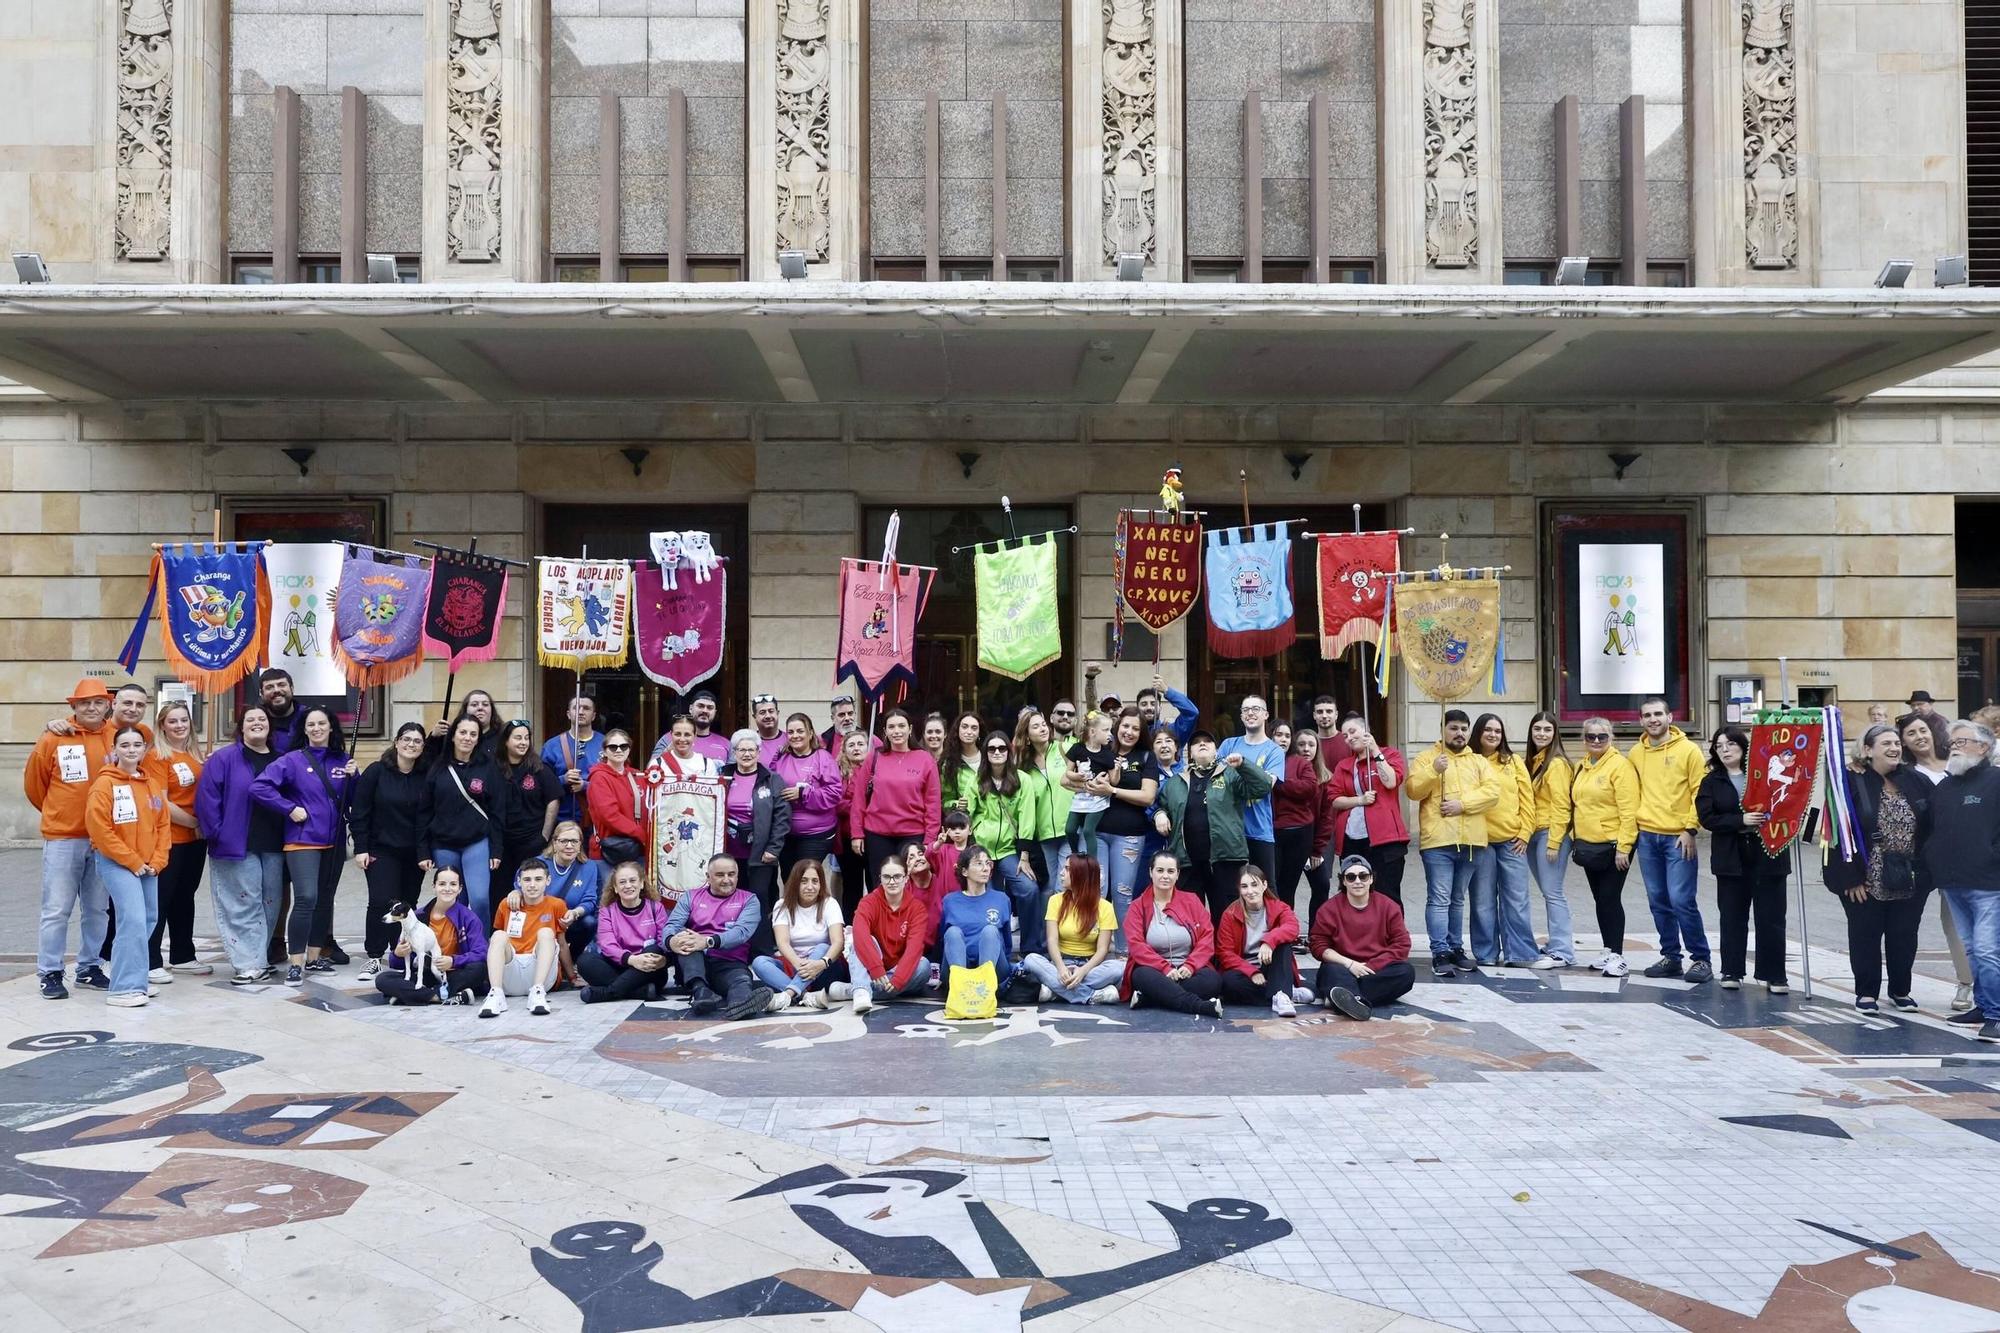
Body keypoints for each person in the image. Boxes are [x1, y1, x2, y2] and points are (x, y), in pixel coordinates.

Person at [26, 678, 118, 999]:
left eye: (97, 702)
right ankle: (50, 971)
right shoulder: (54, 737)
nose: (91, 708)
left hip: (104, 839)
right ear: (74, 707)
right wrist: (59, 812)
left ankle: (88, 968)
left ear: (108, 705)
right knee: (56, 909)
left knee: (97, 909)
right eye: (84, 703)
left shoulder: (117, 737)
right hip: (64, 838)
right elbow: (35, 786)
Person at [1824, 724, 1926, 1012]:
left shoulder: (1913, 779)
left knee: (1904, 935)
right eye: (1886, 744)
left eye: (1897, 742)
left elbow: (1931, 820)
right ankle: (1866, 992)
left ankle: (1900, 991)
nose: (1895, 748)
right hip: (1865, 875)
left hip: (1907, 874)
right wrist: (1850, 877)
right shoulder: (1850, 780)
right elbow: (1836, 833)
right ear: (1867, 750)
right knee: (1865, 934)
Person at [250, 706, 352, 985]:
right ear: (304, 730)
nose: (317, 728)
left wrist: (355, 777)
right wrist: (289, 808)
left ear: (331, 727)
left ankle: (314, 957)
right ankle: (295, 961)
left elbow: (352, 800)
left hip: (334, 839)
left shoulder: (343, 760)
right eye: (312, 724)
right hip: (303, 839)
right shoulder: (292, 760)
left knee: (324, 900)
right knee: (306, 897)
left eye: (322, 723)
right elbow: (259, 787)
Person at [1697, 725, 1793, 993]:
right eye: (1719, 746)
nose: (1725, 750)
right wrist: (1739, 820)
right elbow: (1707, 817)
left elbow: (1786, 802)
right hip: (1731, 856)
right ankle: (1732, 970)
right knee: (1732, 916)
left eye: (1731, 744)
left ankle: (1774, 974)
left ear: (1743, 746)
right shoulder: (1712, 781)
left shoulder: (1765, 775)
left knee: (1771, 917)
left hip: (1768, 853)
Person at [1405, 709, 1500, 977]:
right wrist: (1434, 771)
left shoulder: (1479, 762)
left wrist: (1463, 805)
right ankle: (1440, 951)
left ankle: (1456, 947)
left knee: (1458, 899)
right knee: (1440, 898)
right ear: (1443, 730)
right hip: (1438, 841)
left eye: (1463, 729)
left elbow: (1493, 793)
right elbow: (1413, 790)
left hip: (1471, 840)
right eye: (1454, 728)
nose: (1459, 733)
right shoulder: (1427, 758)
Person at [197, 705, 287, 986]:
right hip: (237, 845)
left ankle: (258, 957)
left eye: (262, 719)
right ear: (241, 726)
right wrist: (217, 833)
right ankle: (247, 963)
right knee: (242, 904)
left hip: (273, 844)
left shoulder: (282, 760)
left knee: (270, 903)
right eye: (251, 719)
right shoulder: (224, 758)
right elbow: (207, 798)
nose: (257, 723)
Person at [84, 724, 172, 1008]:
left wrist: (158, 861)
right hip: (117, 862)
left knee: (147, 919)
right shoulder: (104, 784)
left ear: (145, 749)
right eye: (125, 745)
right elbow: (100, 829)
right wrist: (132, 861)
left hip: (148, 865)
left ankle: (135, 978)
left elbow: (162, 825)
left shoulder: (152, 785)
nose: (131, 750)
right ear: (115, 750)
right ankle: (124, 988)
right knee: (132, 919)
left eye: (137, 745)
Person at [1629, 695, 1713, 983]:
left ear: (1670, 718)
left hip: (1678, 838)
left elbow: (1699, 793)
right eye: (1647, 715)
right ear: (1641, 720)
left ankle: (1701, 959)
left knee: (1681, 899)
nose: (1653, 719)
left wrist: (1691, 829)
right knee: (1658, 900)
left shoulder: (1689, 751)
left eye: (1658, 714)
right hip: (1647, 836)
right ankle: (1671, 957)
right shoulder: (1636, 754)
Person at [1928, 719, 2000, 1042]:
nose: (1953, 747)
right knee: (1971, 950)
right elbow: (1933, 831)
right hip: (1953, 882)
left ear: (1983, 747)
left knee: (1987, 950)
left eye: (1961, 742)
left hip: (1989, 883)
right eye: (1952, 742)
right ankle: (1983, 1007)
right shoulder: (1945, 787)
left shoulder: (1997, 781)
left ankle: (1997, 1015)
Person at [1162, 729, 1276, 924]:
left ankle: (1225, 955)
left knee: (1226, 915)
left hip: (1225, 858)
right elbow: (1162, 805)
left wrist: (1243, 765)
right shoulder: (1175, 782)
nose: (1202, 744)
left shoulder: (1230, 775)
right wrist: (1159, 814)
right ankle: (1198, 954)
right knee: (1190, 917)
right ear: (1190, 752)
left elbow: (1262, 787)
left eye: (1208, 741)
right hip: (1187, 861)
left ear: (1216, 750)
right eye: (1197, 743)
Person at [1901, 710, 1973, 1011]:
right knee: (1913, 921)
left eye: (1922, 730)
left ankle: (1967, 982)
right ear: (1904, 742)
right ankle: (1899, 985)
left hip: (1963, 855)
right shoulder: (1905, 772)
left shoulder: (1958, 764)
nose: (1920, 737)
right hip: (1922, 857)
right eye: (1912, 734)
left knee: (1959, 919)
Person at [350, 722, 433, 977]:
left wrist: (424, 854)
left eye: (417, 741)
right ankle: (375, 955)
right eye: (406, 739)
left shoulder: (425, 776)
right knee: (380, 900)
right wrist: (361, 847)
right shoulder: (376, 772)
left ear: (423, 747)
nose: (411, 745)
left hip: (412, 853)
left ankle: (400, 953)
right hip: (380, 848)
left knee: (407, 905)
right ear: (396, 742)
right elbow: (360, 811)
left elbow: (426, 818)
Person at [1470, 713, 1544, 968]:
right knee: (1482, 900)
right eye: (1488, 730)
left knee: (1517, 899)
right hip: (1480, 841)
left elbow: (1527, 800)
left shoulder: (1512, 761)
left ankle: (1521, 953)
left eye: (1498, 731)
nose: (1493, 735)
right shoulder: (1470, 761)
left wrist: (1525, 833)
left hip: (1513, 840)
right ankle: (1486, 953)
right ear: (1478, 732)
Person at [141, 699, 208, 983]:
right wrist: (194, 822)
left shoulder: (194, 754)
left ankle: (182, 955)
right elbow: (161, 801)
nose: (179, 725)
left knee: (185, 897)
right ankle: (150, 959)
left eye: (183, 720)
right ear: (162, 727)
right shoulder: (157, 756)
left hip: (195, 840)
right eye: (173, 721)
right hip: (171, 838)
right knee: (160, 899)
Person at [662, 854, 774, 1020]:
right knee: (686, 940)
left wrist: (707, 941)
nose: (727, 880)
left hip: (730, 964)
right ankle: (701, 992)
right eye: (720, 875)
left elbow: (741, 932)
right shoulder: (690, 897)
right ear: (708, 877)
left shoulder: (749, 900)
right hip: (695, 964)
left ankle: (741, 1004)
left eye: (731, 874)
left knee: (741, 982)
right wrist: (671, 941)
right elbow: (670, 926)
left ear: (737, 875)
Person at [1570, 718, 1640, 977]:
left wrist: (1625, 846)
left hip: (1614, 845)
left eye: (1602, 736)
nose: (1596, 741)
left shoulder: (1620, 766)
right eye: (1591, 736)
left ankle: (1618, 956)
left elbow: (1629, 809)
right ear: (1584, 739)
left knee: (1610, 898)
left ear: (1611, 738)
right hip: (1590, 845)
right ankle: (1608, 948)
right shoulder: (1582, 766)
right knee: (1600, 899)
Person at [1308, 855, 1416, 1018]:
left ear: (1371, 879)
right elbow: (1318, 945)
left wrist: (1370, 966)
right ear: (1343, 881)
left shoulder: (1389, 906)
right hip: (1343, 967)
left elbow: (1401, 944)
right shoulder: (1329, 909)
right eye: (1351, 877)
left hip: (1376, 970)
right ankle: (1353, 999)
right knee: (1330, 970)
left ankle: (1344, 998)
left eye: (1363, 876)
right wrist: (1350, 964)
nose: (1357, 881)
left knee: (1406, 972)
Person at [1120, 851, 1225, 1017]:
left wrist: (1191, 965)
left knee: (1213, 980)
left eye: (1170, 871)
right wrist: (1164, 968)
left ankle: (1151, 997)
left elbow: (1207, 937)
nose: (1165, 876)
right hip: (1154, 971)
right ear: (1150, 872)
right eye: (1160, 870)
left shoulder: (1192, 900)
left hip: (1188, 971)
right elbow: (1136, 945)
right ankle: (1200, 1007)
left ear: (1178, 875)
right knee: (1142, 976)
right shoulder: (1137, 906)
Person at [1087, 707, 1161, 939]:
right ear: (1117, 727)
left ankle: (1124, 950)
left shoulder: (1147, 758)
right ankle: (1093, 947)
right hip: (1096, 832)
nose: (1129, 732)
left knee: (1122, 892)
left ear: (1142, 733)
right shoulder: (1101, 751)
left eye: (1136, 728)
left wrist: (1112, 790)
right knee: (1097, 891)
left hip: (1129, 836)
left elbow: (1148, 797)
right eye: (1126, 726)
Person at [848, 708, 941, 887]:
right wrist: (857, 833)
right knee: (881, 884)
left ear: (910, 729)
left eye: (901, 726)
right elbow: (859, 798)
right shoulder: (874, 758)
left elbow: (933, 803)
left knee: (911, 885)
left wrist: (930, 839)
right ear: (885, 731)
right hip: (877, 834)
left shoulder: (925, 759)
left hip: (913, 834)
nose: (896, 731)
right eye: (891, 727)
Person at [425, 714, 506, 918]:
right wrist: (423, 849)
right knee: (452, 899)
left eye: (473, 734)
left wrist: (496, 849)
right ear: (453, 736)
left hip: (476, 841)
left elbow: (497, 811)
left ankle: (482, 946)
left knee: (479, 899)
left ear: (478, 739)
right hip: (444, 843)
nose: (467, 738)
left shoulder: (488, 767)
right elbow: (424, 810)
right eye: (462, 732)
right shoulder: (437, 767)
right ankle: (456, 945)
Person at [968, 730, 1042, 953]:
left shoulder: (1023, 779)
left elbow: (1027, 817)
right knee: (988, 899)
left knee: (1029, 889)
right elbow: (968, 815)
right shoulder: (976, 780)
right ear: (986, 753)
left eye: (1002, 748)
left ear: (1008, 752)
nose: (997, 752)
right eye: (992, 748)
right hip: (983, 852)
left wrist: (1025, 856)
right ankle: (996, 950)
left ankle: (1031, 949)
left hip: (1010, 850)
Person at [373, 865, 490, 1006]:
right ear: (434, 886)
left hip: (455, 973)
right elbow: (397, 963)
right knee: (383, 979)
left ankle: (413, 995)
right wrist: (397, 953)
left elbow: (481, 953)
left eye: (453, 884)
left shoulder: (469, 918)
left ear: (460, 889)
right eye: (442, 884)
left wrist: (453, 961)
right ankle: (438, 995)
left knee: (479, 969)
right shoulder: (417, 916)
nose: (447, 889)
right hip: (425, 972)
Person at [721, 729, 792, 955]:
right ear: (734, 752)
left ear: (759, 752)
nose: (747, 754)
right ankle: (735, 947)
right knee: (732, 899)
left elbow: (782, 817)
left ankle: (761, 949)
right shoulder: (722, 777)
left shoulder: (772, 780)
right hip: (729, 853)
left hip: (761, 853)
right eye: (742, 750)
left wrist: (774, 848)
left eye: (751, 749)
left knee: (758, 899)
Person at [478, 857, 577, 1017]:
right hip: (512, 969)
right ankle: (496, 993)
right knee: (498, 935)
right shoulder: (507, 904)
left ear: (548, 880)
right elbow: (498, 946)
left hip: (541, 973)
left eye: (538, 879)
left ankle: (537, 992)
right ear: (519, 881)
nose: (532, 885)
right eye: (527, 879)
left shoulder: (556, 905)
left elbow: (562, 943)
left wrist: (571, 976)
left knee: (546, 933)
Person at [1328, 716, 1408, 908]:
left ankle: (1392, 936)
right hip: (1351, 839)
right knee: (1353, 893)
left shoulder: (1390, 754)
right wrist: (1360, 800)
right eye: (1345, 735)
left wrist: (1375, 751)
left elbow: (1390, 781)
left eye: (1353, 731)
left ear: (1366, 730)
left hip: (1386, 839)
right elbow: (1334, 798)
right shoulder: (1344, 765)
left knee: (1387, 893)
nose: (1349, 738)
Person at [1020, 854, 1122, 1004]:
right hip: (1061, 963)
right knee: (1031, 960)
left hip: (1090, 967)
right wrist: (1061, 968)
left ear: (1081, 875)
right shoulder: (1055, 900)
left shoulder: (1104, 907)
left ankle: (1056, 992)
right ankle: (1091, 996)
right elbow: (1052, 940)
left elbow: (1102, 950)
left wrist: (1083, 971)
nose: (1061, 873)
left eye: (1067, 869)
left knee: (1119, 968)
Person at [837, 853, 932, 1012]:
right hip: (871, 967)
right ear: (880, 878)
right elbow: (860, 935)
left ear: (906, 878)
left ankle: (856, 989)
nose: (892, 882)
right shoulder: (868, 902)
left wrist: (899, 979)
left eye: (897, 876)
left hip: (897, 970)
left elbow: (914, 948)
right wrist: (875, 968)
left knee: (924, 966)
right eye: (887, 877)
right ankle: (861, 991)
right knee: (861, 942)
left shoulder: (917, 908)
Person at [753, 860, 847, 1011]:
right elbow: (782, 943)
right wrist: (800, 965)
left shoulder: (830, 903)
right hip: (796, 965)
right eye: (804, 881)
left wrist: (820, 964)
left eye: (815, 881)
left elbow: (838, 942)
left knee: (823, 946)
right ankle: (805, 996)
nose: (810, 887)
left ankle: (788, 994)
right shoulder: (782, 905)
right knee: (759, 962)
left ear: (821, 884)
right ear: (795, 883)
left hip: (825, 968)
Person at [1215, 863, 1306, 1016]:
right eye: (1244, 886)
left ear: (1264, 885)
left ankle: (1282, 994)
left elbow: (1292, 927)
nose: (1250, 891)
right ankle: (1284, 992)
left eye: (1254, 885)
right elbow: (1225, 953)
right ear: (1239, 889)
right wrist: (1251, 972)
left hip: (1271, 965)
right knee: (1228, 983)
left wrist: (1269, 941)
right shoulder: (1230, 914)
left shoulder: (1279, 907)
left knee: (1283, 946)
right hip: (1244, 969)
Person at [1523, 712, 1576, 967]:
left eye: (1547, 729)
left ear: (1555, 734)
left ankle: (1563, 950)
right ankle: (1556, 943)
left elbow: (1562, 806)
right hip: (1533, 834)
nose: (1542, 734)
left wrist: (1555, 842)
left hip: (1549, 834)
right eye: (1537, 729)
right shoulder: (1534, 761)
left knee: (1553, 893)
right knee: (1547, 891)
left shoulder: (1556, 764)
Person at [577, 860, 671, 1004]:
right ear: (615, 887)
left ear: (641, 884)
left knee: (654, 950)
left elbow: (663, 941)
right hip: (621, 964)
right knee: (585, 961)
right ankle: (639, 991)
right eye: (622, 882)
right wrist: (632, 960)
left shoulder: (655, 908)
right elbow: (607, 944)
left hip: (649, 969)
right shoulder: (607, 911)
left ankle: (608, 992)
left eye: (632, 880)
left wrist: (661, 959)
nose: (628, 886)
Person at [1217, 695, 1286, 882]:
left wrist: (1241, 766)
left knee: (1266, 890)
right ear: (1240, 716)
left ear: (1266, 715)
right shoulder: (1228, 745)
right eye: (1246, 709)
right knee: (1231, 891)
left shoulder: (1274, 751)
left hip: (1259, 830)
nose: (1250, 713)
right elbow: (1216, 782)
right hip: (1230, 831)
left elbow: (1265, 786)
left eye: (1256, 709)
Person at [496, 720, 561, 909]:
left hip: (532, 841)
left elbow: (553, 799)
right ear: (506, 741)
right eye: (518, 738)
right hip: (502, 843)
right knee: (501, 893)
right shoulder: (494, 768)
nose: (523, 742)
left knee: (531, 891)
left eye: (526, 738)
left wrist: (545, 835)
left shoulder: (538, 767)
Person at [1272, 730, 1335, 924]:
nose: (1306, 749)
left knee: (1322, 884)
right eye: (1301, 744)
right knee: (1285, 887)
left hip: (1314, 842)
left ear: (1318, 748)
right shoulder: (1284, 768)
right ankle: (1287, 928)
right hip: (1291, 836)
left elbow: (1326, 816)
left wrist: (1317, 850)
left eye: (1311, 744)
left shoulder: (1325, 778)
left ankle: (1317, 930)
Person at [772, 713, 844, 877]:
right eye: (791, 732)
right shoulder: (782, 758)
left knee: (804, 878)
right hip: (786, 833)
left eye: (800, 731)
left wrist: (803, 794)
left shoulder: (823, 758)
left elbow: (834, 793)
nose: (795, 736)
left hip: (816, 835)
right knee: (789, 879)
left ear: (810, 733)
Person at [938, 845, 1017, 991]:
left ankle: (983, 990)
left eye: (988, 863)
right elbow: (944, 940)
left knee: (990, 931)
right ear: (964, 871)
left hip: (993, 970)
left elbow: (1006, 943)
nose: (986, 868)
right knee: (952, 932)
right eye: (979, 863)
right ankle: (960, 989)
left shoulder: (1001, 899)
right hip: (958, 969)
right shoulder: (950, 901)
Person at [1014, 709, 1070, 893]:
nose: (1042, 729)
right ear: (1027, 735)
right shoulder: (1023, 764)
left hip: (1069, 829)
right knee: (1046, 888)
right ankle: (1044, 923)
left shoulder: (1064, 749)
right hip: (1043, 835)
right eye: (1035, 726)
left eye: (1043, 724)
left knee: (1063, 886)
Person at [539, 820, 605, 954]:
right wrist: (515, 894)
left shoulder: (589, 867)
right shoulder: (539, 863)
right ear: (555, 843)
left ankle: (573, 959)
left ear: (580, 844)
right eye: (564, 841)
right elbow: (521, 887)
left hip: (571, 920)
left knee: (589, 922)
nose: (569, 846)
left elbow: (590, 900)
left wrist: (574, 913)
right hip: (542, 920)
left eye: (574, 841)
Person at [585, 728, 647, 868]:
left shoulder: (638, 775)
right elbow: (609, 815)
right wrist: (640, 833)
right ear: (605, 751)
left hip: (637, 849)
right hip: (609, 850)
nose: (618, 750)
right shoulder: (599, 778)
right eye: (613, 747)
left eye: (623, 746)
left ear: (629, 749)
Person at [541, 695, 604, 830]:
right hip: (562, 822)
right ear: (569, 714)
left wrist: (586, 786)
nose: (581, 712)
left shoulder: (607, 744)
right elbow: (541, 785)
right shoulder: (552, 746)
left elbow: (616, 783)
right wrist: (563, 779)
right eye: (576, 708)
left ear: (593, 716)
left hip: (598, 821)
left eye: (586, 708)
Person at [1061, 709, 1115, 855]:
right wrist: (1077, 777)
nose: (1110, 734)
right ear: (1092, 732)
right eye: (1106, 730)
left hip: (1098, 799)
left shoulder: (1107, 754)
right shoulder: (1077, 749)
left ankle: (1092, 864)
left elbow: (1114, 780)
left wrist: (1115, 771)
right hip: (1080, 796)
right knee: (1070, 829)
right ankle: (1075, 853)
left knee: (1088, 830)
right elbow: (1067, 774)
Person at [833, 729, 872, 915]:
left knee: (875, 882)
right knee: (852, 885)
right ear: (845, 750)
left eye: (860, 744)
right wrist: (861, 806)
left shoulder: (876, 770)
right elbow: (837, 803)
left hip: (874, 835)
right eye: (851, 745)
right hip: (848, 838)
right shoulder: (838, 772)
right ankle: (850, 925)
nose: (856, 748)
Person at [1136, 674, 1200, 748]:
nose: (1149, 708)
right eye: (1144, 704)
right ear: (1137, 708)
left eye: (1153, 704)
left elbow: (1191, 713)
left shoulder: (1172, 732)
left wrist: (1167, 690)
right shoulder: (1133, 734)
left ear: (1160, 707)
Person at [940, 712, 984, 814]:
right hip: (965, 821)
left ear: (979, 733)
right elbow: (945, 801)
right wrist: (956, 804)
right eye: (964, 727)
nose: (969, 732)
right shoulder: (949, 764)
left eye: (974, 728)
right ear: (957, 730)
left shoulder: (989, 756)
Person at [681, 689, 731, 765]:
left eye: (710, 708)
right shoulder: (671, 739)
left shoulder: (727, 744)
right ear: (690, 709)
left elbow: (734, 773)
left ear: (715, 712)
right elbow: (656, 768)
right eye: (700, 706)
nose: (705, 710)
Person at [1308, 696, 1356, 772]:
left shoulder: (1349, 740)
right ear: (1314, 715)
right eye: (1320, 712)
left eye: (1329, 711)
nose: (1324, 716)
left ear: (1336, 714)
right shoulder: (1309, 745)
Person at [748, 692, 788, 768]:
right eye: (762, 712)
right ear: (754, 716)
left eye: (771, 711)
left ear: (777, 713)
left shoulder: (790, 740)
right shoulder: (748, 743)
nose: (768, 716)